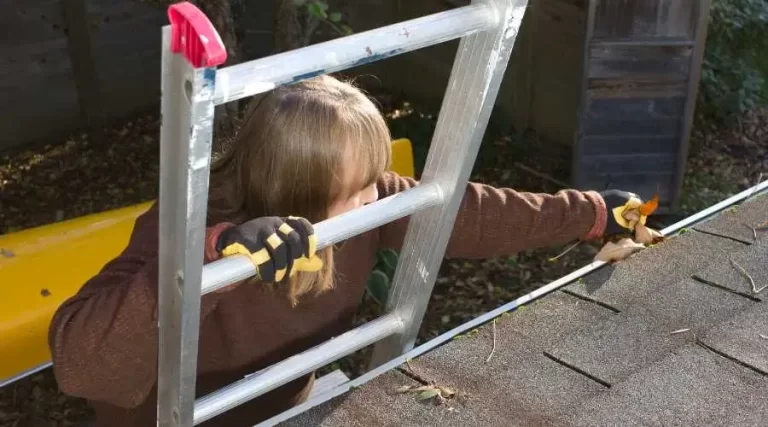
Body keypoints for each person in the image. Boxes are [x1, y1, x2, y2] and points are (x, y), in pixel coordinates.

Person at [48, 75, 642, 426]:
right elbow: (79, 362)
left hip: (284, 408)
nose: (376, 199)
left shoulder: (366, 200)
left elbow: (474, 213)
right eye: (357, 190)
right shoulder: (187, 219)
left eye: (374, 181)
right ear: (298, 192)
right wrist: (216, 259)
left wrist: (589, 214)